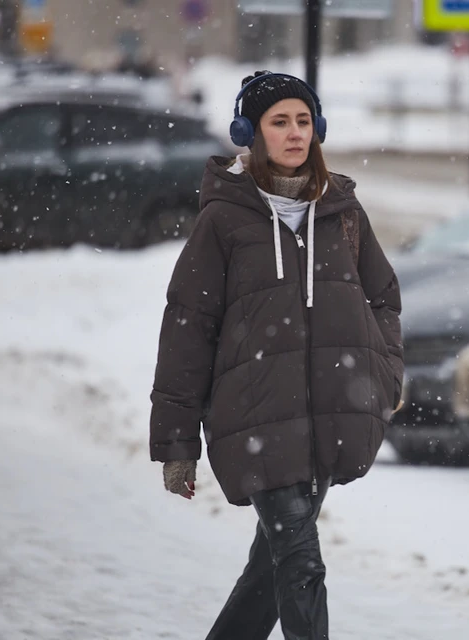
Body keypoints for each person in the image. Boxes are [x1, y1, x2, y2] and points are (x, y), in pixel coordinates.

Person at [149, 70, 404, 640]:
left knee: (271, 571)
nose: (295, 134)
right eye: (279, 122)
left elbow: (383, 298)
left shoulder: (342, 212)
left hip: (328, 421)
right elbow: (188, 329)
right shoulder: (225, 219)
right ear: (250, 132)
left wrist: (385, 373)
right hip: (255, 420)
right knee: (302, 565)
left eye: (304, 121)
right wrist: (176, 442)